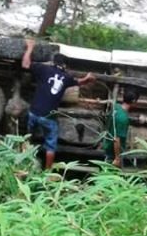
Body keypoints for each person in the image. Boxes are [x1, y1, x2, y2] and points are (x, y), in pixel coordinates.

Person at [21, 39, 95, 169]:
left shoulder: (43, 69)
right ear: (65, 66)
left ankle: (22, 163)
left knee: (26, 137)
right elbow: (80, 82)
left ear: (53, 62)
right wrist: (88, 78)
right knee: (51, 144)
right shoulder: (66, 78)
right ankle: (48, 171)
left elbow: (25, 64)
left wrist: (30, 47)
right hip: (49, 117)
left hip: (34, 112)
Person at [103, 88, 139, 167]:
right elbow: (116, 139)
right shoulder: (123, 119)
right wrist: (117, 159)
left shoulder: (116, 107)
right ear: (133, 101)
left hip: (107, 146)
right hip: (113, 153)